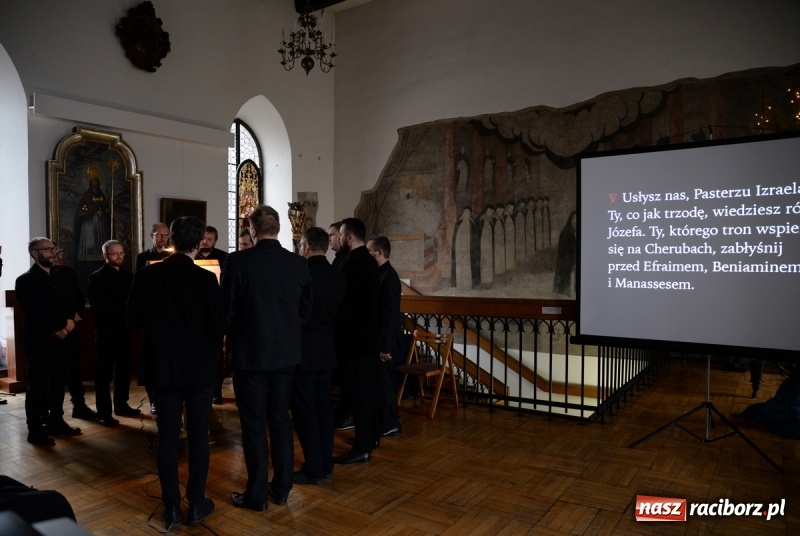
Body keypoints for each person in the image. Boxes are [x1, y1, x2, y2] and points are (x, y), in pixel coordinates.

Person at [127, 217, 224, 530]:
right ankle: (196, 504)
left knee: (168, 438)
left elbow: (133, 319)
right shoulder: (207, 281)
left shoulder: (146, 276)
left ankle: (170, 508)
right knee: (198, 436)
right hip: (198, 369)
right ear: (197, 244)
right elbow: (218, 327)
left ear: (172, 242)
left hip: (163, 367)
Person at [222, 205, 312, 510]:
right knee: (280, 422)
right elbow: (305, 312)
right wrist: (284, 332)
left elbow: (226, 312)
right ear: (278, 229)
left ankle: (257, 495)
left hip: (251, 355)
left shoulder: (237, 262)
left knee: (253, 424)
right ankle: (282, 488)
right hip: (286, 355)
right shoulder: (298, 264)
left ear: (251, 228)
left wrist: (238, 333)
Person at [15, 238, 82, 446]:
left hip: (62, 340)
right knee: (38, 386)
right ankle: (35, 430)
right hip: (40, 342)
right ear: (35, 254)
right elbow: (36, 312)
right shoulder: (25, 280)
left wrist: (68, 324)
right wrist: (62, 325)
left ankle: (56, 421)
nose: (54, 252)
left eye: (54, 248)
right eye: (48, 249)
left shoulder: (59, 276)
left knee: (58, 383)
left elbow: (70, 302)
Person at [292, 227, 345, 484]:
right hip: (327, 350)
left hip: (304, 351)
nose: (300, 249)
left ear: (307, 246)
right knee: (324, 409)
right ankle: (326, 464)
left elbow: (296, 313)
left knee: (305, 411)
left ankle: (313, 467)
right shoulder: (337, 275)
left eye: (301, 245)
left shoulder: (302, 273)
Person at [334, 218, 380, 464]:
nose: (339, 239)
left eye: (340, 235)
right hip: (366, 337)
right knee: (366, 392)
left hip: (353, 339)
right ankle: (369, 437)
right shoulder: (369, 261)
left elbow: (345, 303)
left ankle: (362, 447)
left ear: (349, 237)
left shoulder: (353, 263)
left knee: (357, 394)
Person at [87, 240, 139, 427]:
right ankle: (104, 412)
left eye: (121, 253)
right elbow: (100, 308)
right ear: (105, 255)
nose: (119, 257)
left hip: (125, 330)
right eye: (114, 253)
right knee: (104, 374)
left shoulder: (128, 276)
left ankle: (121, 404)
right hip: (107, 331)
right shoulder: (96, 277)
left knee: (123, 371)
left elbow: (134, 303)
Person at [51, 245, 96, 421]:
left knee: (74, 370)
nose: (59, 256)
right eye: (55, 253)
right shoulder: (44, 277)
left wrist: (77, 313)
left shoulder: (68, 272)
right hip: (57, 331)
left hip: (73, 329)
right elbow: (52, 306)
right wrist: (65, 322)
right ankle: (54, 415)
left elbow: (78, 295)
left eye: (61, 253)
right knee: (56, 375)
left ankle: (80, 405)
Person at [366, 235, 403, 438]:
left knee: (384, 385)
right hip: (379, 339)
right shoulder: (380, 274)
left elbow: (390, 314)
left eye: (369, 250)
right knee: (378, 384)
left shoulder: (388, 276)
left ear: (379, 252)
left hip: (384, 341)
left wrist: (386, 347)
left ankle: (391, 423)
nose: (367, 253)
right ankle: (382, 422)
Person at [134, 222, 171, 415]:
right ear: (152, 236)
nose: (163, 239)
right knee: (151, 360)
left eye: (166, 235)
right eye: (160, 235)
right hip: (152, 312)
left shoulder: (172, 256)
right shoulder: (143, 257)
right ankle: (153, 400)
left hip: (169, 313)